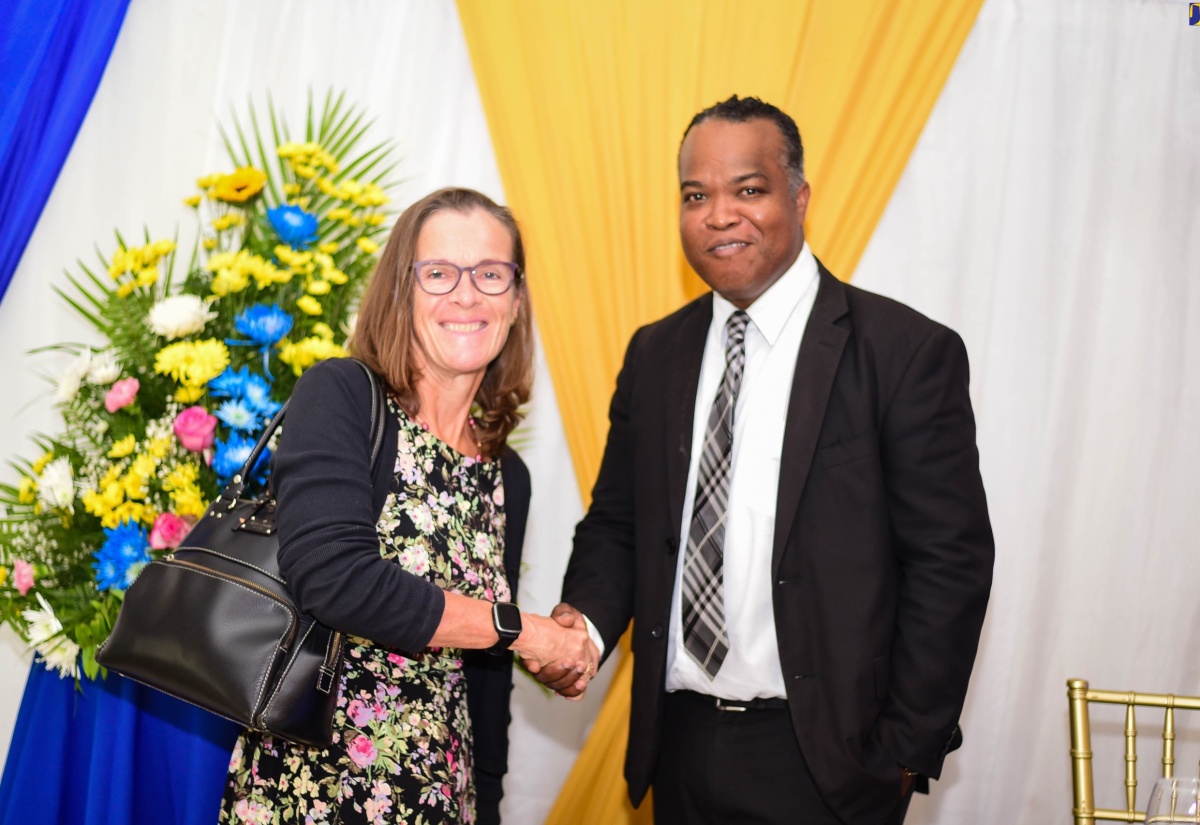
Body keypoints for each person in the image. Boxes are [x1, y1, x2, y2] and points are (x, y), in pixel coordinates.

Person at [525, 96, 994, 824]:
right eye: (695, 195)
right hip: (677, 743)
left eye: (748, 189)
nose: (719, 214)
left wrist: (902, 753)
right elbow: (620, 523)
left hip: (828, 762)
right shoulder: (655, 354)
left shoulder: (903, 352)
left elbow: (950, 561)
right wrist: (580, 628)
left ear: (799, 197)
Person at [221, 187, 596, 825]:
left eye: (491, 274)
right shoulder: (340, 396)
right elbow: (335, 581)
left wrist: (488, 807)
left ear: (515, 300)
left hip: (440, 798)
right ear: (402, 290)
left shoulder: (510, 476)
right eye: (439, 273)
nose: (467, 295)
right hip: (312, 790)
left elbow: (486, 678)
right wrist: (522, 630)